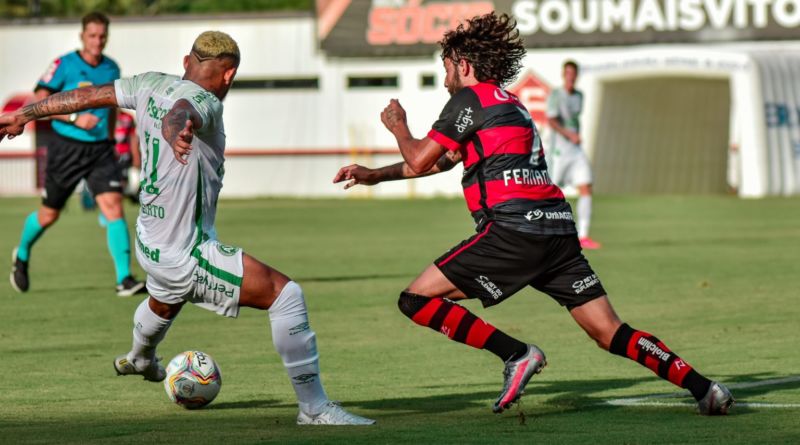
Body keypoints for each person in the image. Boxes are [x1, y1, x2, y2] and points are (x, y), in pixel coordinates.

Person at [333, 12, 733, 415]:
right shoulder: (508, 105)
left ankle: (516, 354)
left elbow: (420, 159)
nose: (445, 79)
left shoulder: (469, 100)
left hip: (513, 231)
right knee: (609, 331)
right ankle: (705, 388)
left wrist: (399, 126)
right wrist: (374, 176)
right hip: (556, 232)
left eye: (447, 68)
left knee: (415, 300)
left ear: (464, 66)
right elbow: (444, 160)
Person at [1, 31, 374, 426]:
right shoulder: (207, 101)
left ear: (185, 62)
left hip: (149, 240)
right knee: (287, 297)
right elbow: (183, 110)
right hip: (186, 252)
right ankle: (315, 409)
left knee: (165, 300)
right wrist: (175, 131)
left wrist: (26, 114)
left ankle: (141, 357)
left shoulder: (147, 83)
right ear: (228, 75)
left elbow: (88, 95)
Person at [10, 12, 145, 296]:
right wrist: (75, 120)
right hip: (67, 149)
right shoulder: (64, 65)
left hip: (100, 151)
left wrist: (112, 140)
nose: (98, 41)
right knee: (49, 215)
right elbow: (38, 99)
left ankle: (124, 279)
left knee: (113, 208)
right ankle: (21, 255)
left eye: (102, 36)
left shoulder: (112, 68)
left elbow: (111, 107)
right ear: (82, 36)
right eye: (92, 35)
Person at [546, 60, 600, 249]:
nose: (570, 76)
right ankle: (544, 234)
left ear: (576, 76)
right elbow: (551, 120)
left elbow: (574, 120)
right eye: (567, 73)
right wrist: (569, 134)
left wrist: (575, 136)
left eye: (573, 73)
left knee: (586, 186)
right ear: (563, 75)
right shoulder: (555, 95)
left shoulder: (579, 96)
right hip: (559, 151)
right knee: (549, 193)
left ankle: (583, 235)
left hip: (575, 150)